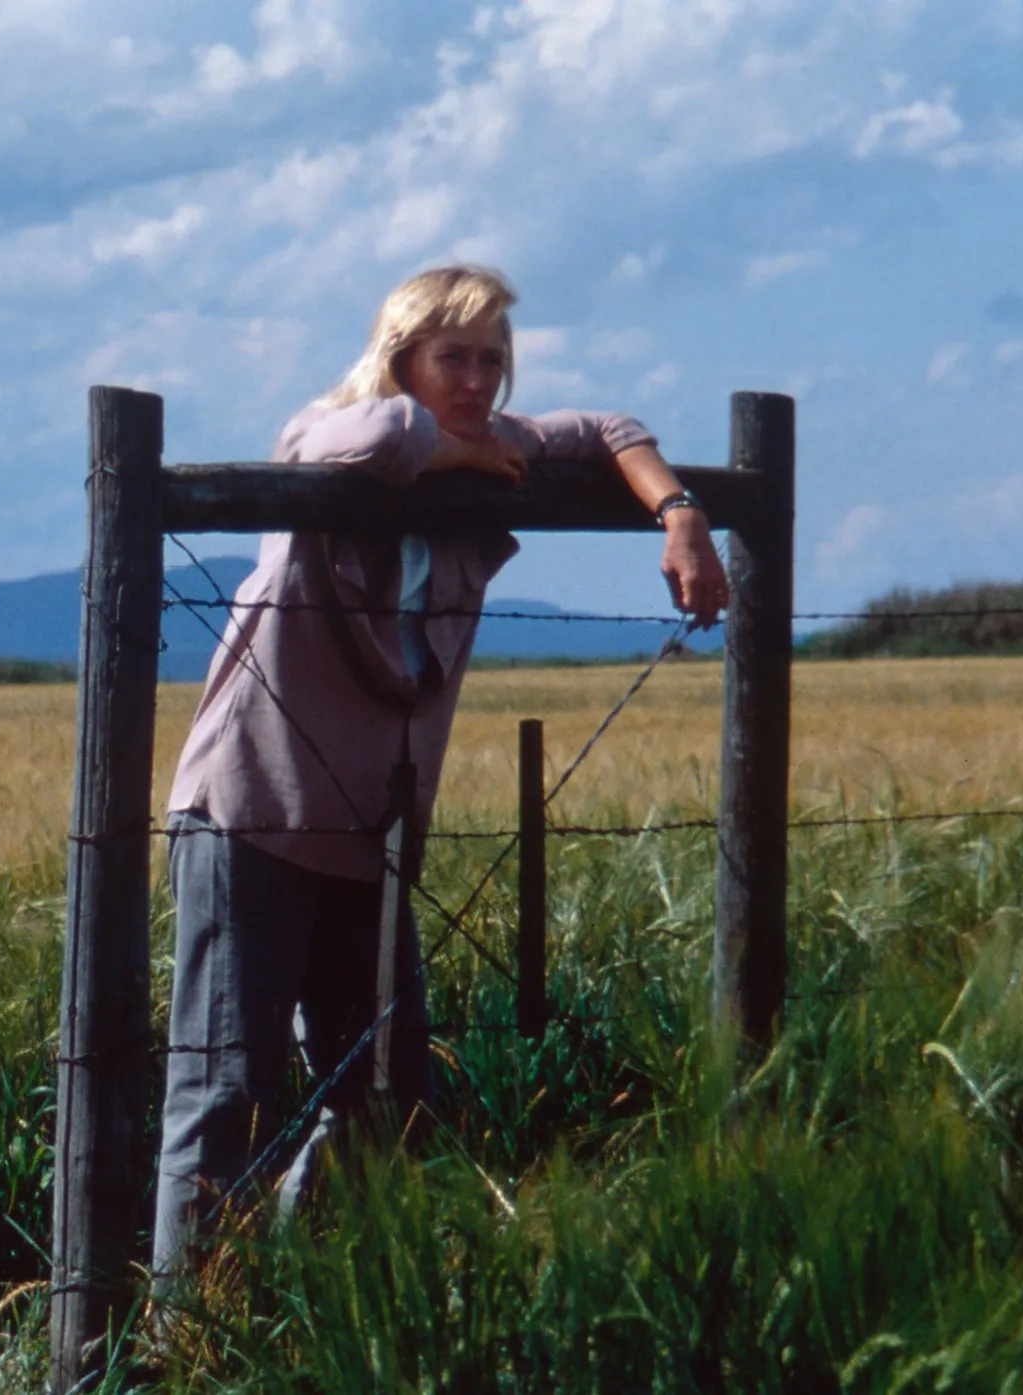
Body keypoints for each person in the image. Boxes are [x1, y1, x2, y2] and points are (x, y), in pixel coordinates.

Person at [150, 264, 726, 1285]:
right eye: (450, 356)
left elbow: (603, 427)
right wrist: (455, 445)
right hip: (252, 811)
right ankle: (185, 1334)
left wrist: (677, 513)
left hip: (370, 831)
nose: (475, 380)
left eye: (492, 362)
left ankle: (311, 1296)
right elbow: (349, 439)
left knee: (384, 1092)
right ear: (399, 355)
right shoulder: (332, 436)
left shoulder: (490, 450)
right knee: (225, 1088)